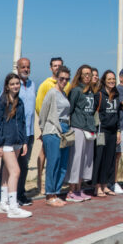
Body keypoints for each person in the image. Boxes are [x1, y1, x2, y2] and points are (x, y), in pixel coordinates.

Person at [0, 58, 35, 206]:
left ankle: (12, 198)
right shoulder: (3, 101)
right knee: (12, 169)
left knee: (16, 168)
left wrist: (25, 140)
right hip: (7, 140)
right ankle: (8, 201)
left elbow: (26, 118)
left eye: (28, 67)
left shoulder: (28, 91)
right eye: (22, 67)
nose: (25, 69)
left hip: (23, 137)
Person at [38, 66, 72, 207]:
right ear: (57, 78)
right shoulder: (52, 93)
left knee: (63, 164)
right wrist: (43, 130)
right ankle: (49, 195)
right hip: (52, 130)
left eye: (66, 79)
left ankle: (56, 192)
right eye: (61, 78)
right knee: (53, 162)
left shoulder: (64, 93)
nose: (64, 81)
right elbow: (43, 113)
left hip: (65, 129)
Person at [65, 65, 98, 202]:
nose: (87, 76)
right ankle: (71, 191)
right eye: (84, 74)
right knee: (76, 159)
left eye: (89, 74)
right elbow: (70, 109)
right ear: (79, 75)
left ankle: (79, 189)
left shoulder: (91, 91)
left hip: (89, 129)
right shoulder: (76, 91)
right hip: (78, 127)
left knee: (85, 160)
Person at [34, 57, 66, 193]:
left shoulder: (65, 84)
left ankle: (55, 185)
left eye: (59, 65)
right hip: (50, 126)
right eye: (54, 65)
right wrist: (44, 127)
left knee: (58, 157)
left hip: (62, 127)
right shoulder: (46, 84)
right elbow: (40, 105)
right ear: (50, 68)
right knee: (45, 153)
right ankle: (41, 182)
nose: (57, 67)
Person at [93, 70, 121, 196]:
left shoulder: (116, 95)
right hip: (101, 131)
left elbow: (118, 114)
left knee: (110, 159)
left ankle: (105, 185)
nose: (112, 81)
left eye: (113, 79)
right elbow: (93, 113)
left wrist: (119, 130)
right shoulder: (99, 95)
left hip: (113, 131)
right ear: (104, 80)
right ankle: (97, 186)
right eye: (109, 79)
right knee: (100, 157)